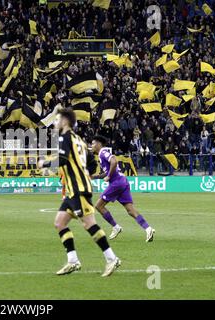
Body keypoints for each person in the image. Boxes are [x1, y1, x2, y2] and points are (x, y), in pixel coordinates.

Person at [38, 109, 121, 277]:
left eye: (57, 120)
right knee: (60, 223)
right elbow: (91, 162)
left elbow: (62, 159)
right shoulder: (79, 140)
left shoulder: (65, 137)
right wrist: (84, 174)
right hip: (71, 191)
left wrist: (45, 163)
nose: (55, 123)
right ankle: (73, 261)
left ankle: (112, 258)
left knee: (89, 223)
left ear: (65, 122)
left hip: (78, 190)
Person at [90, 135, 155, 242]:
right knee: (130, 210)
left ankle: (116, 227)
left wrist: (109, 176)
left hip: (117, 183)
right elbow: (108, 171)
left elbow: (114, 161)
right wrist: (95, 177)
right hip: (122, 181)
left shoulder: (103, 152)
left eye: (93, 143)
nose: (91, 146)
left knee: (98, 206)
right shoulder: (101, 155)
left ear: (99, 144)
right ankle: (148, 229)